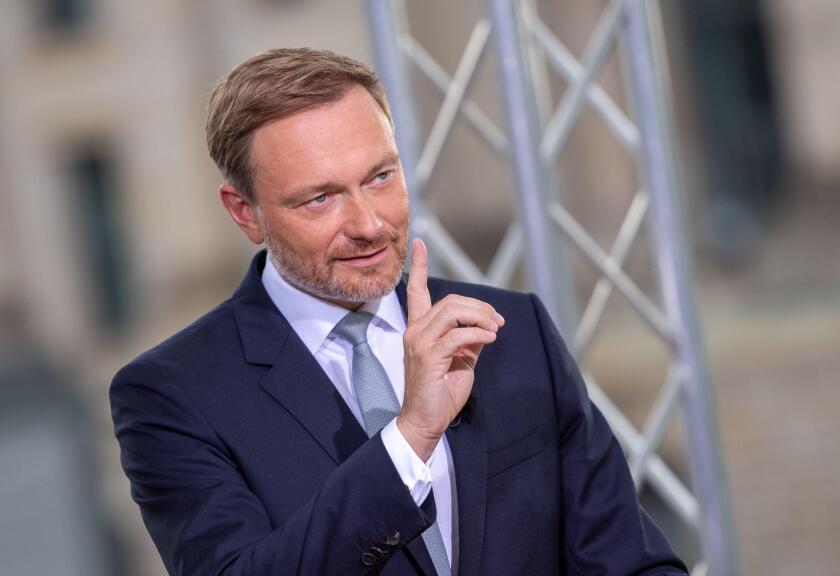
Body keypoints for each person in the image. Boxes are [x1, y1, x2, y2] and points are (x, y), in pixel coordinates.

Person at [110, 47, 687, 576]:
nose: (369, 224)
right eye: (321, 198)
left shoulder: (512, 331)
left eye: (381, 177)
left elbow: (631, 563)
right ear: (246, 213)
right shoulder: (172, 394)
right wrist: (410, 436)